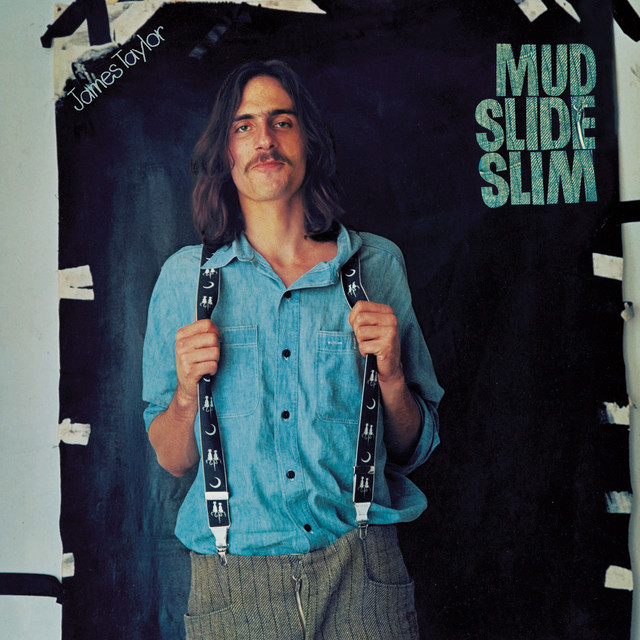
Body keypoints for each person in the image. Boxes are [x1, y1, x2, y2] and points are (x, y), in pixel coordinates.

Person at [142, 59, 444, 640]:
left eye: (282, 121)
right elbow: (173, 459)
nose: (264, 139)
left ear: (308, 142)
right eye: (244, 125)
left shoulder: (376, 267)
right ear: (225, 152)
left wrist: (392, 379)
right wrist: (183, 396)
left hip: (364, 574)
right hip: (233, 589)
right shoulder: (185, 281)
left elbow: (412, 448)